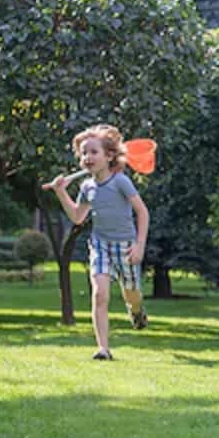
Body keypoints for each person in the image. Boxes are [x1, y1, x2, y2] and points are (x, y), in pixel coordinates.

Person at [48, 124, 150, 360]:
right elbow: (77, 217)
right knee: (100, 294)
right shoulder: (87, 186)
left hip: (126, 246)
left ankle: (136, 311)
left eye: (94, 152)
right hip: (100, 245)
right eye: (84, 153)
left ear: (109, 156)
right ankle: (103, 348)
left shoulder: (121, 182)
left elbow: (142, 212)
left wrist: (140, 245)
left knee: (132, 294)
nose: (88, 157)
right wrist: (61, 192)